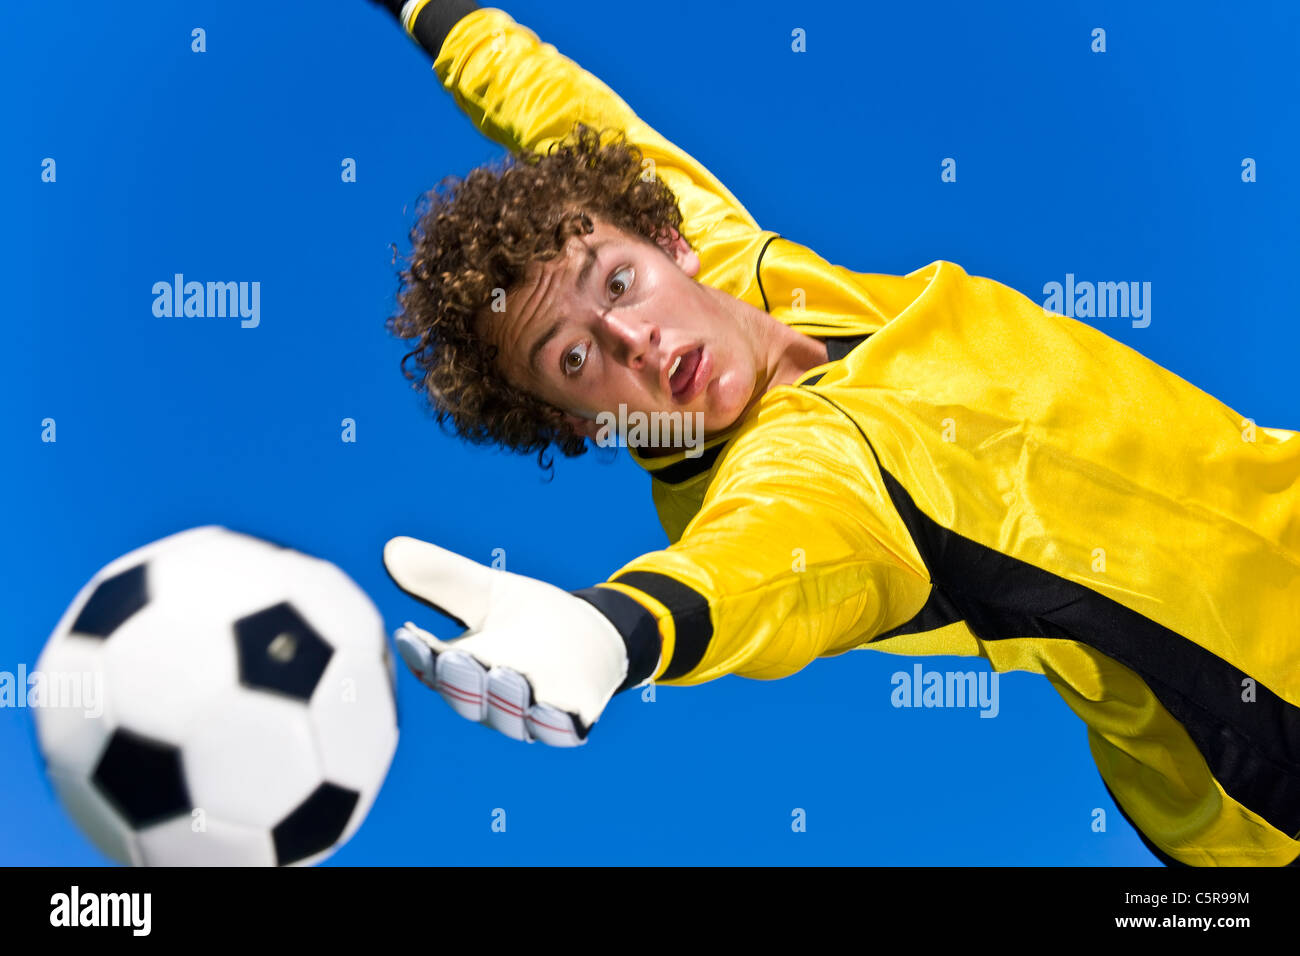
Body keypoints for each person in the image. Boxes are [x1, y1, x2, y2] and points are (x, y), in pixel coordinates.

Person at [367, 0, 1300, 866]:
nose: (633, 339)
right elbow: (755, 575)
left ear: (669, 237)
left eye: (617, 283)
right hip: (1267, 766)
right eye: (575, 359)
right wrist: (617, 629)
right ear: (571, 421)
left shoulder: (736, 260)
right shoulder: (797, 478)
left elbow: (543, 96)